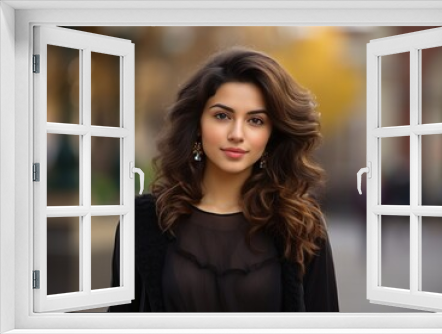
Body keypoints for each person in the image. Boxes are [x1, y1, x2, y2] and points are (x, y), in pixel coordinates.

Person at [108, 47, 339, 312]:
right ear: (197, 124)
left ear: (272, 135)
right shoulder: (143, 220)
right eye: (222, 116)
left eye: (255, 120)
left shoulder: (301, 225)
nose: (237, 134)